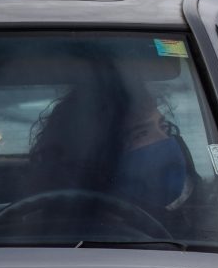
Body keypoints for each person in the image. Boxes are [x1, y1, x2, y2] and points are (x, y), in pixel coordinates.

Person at [28, 73, 196, 216]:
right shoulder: (42, 234)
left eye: (163, 126)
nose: (164, 138)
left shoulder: (190, 220)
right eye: (140, 134)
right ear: (95, 155)